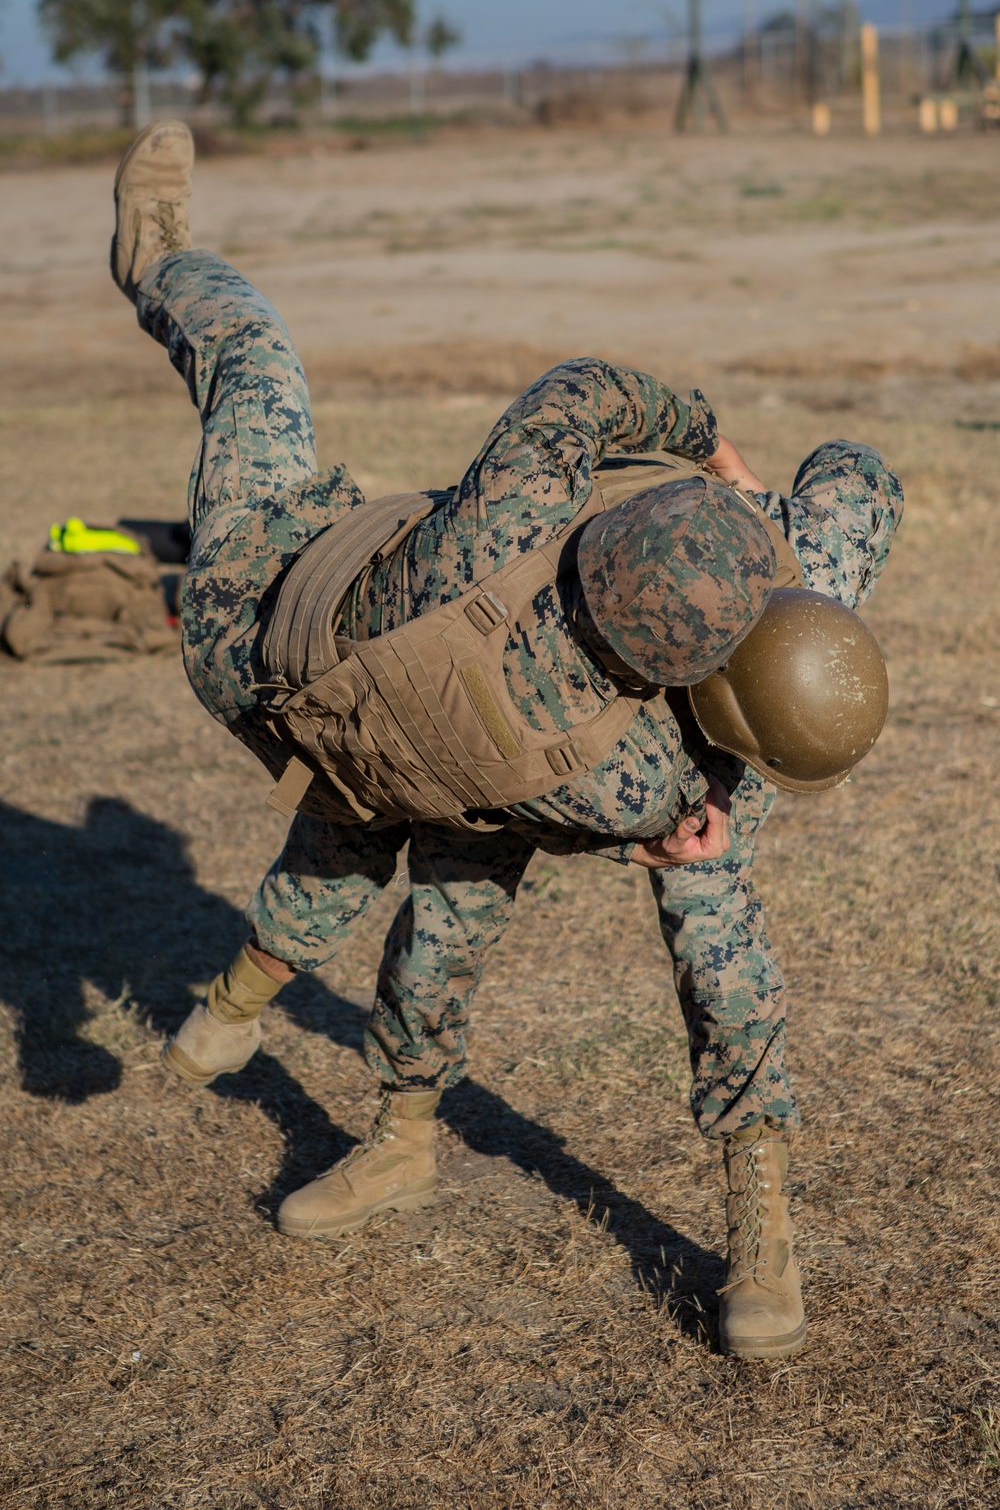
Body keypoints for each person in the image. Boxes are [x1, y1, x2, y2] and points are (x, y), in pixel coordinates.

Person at [110, 121, 902, 1361]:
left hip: (386, 718)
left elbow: (584, 387)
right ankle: (737, 1196)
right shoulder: (631, 779)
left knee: (255, 359)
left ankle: (164, 261)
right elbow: (855, 472)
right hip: (258, 615)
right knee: (608, 867)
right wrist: (712, 828)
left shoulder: (526, 495)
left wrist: (703, 444)